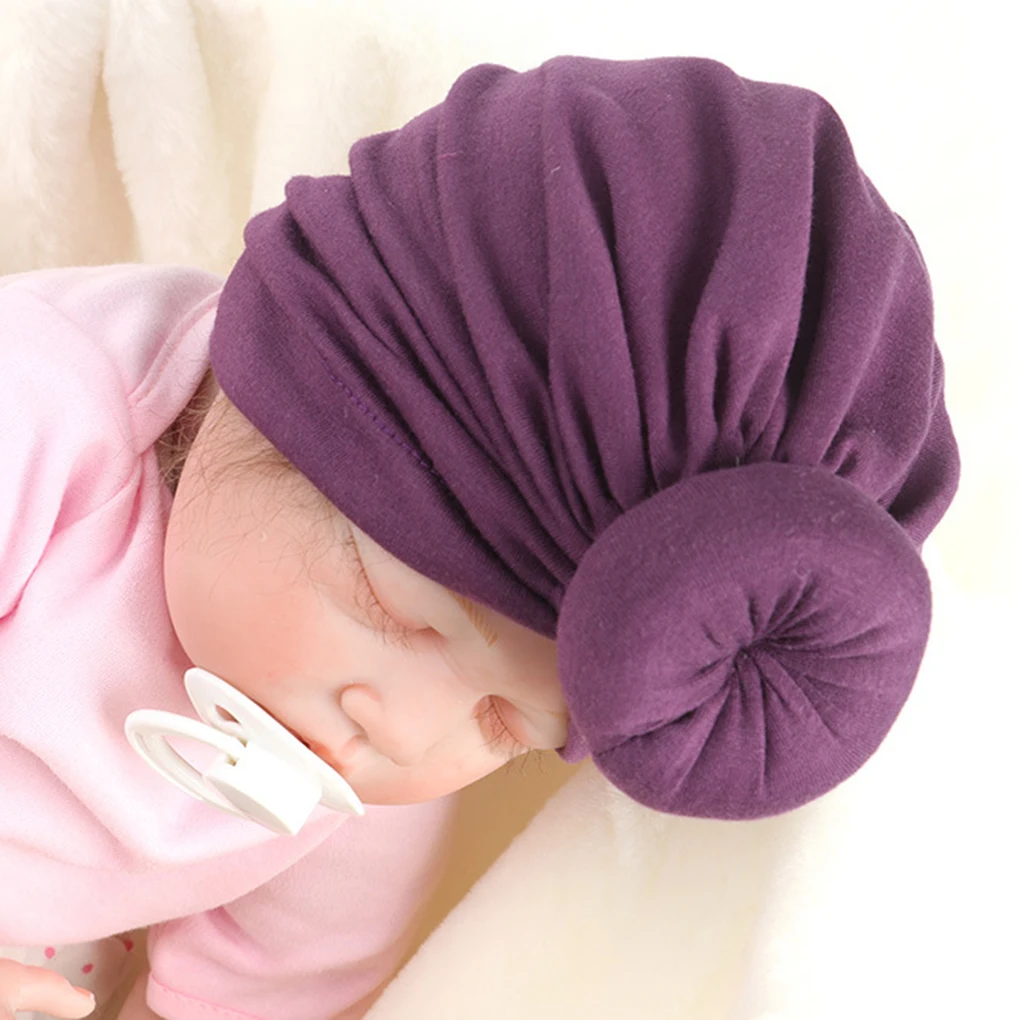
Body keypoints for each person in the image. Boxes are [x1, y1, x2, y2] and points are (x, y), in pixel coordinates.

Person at [0, 54, 959, 1020]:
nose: (401, 733)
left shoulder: (366, 793)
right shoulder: (44, 411)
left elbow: (275, 975)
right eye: (398, 614)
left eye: (505, 724)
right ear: (281, 396)